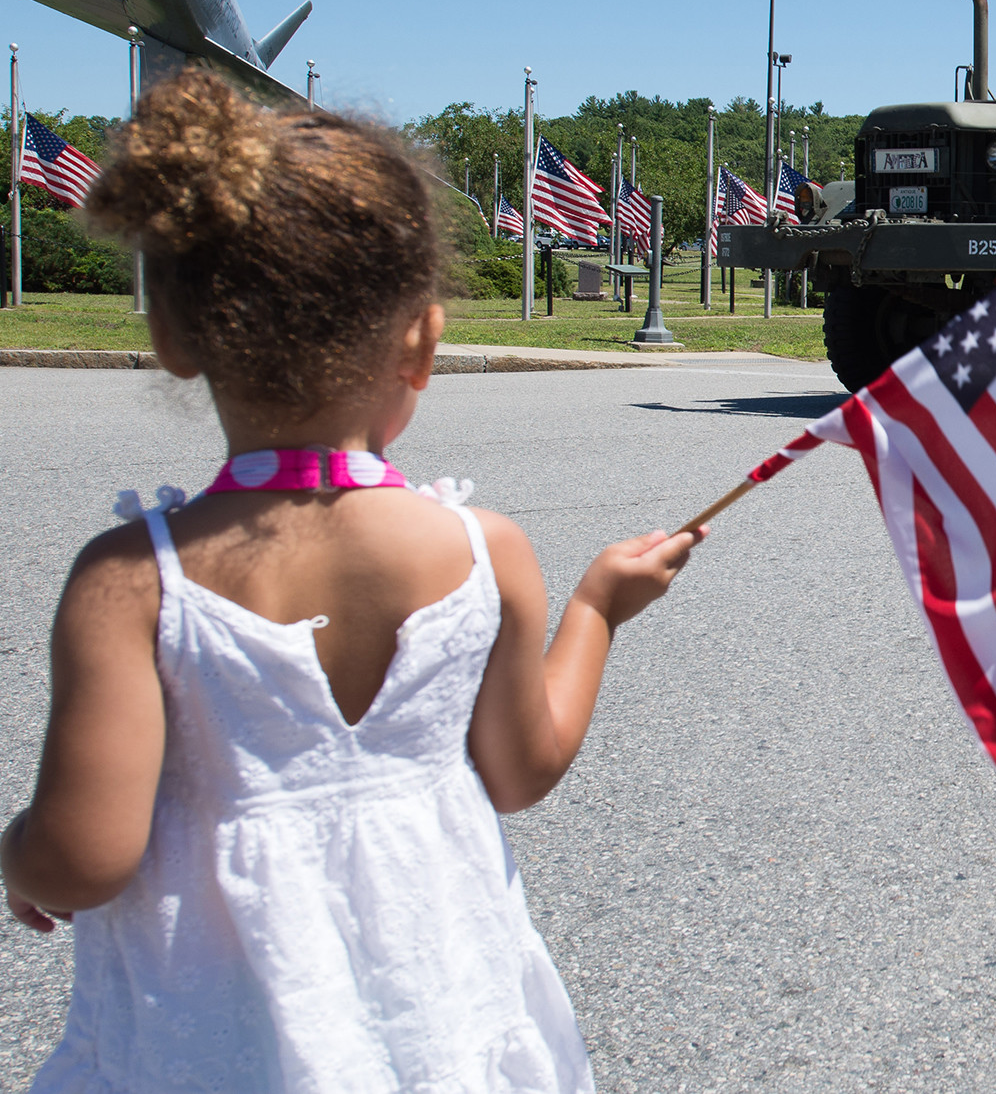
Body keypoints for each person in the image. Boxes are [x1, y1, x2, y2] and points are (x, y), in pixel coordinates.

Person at [1, 71, 703, 1092]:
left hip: (208, 1046)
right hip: (438, 1025)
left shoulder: (133, 580)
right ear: (422, 340)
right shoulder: (484, 551)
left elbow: (82, 856)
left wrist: (21, 853)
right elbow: (520, 772)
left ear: (172, 337)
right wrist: (596, 608)